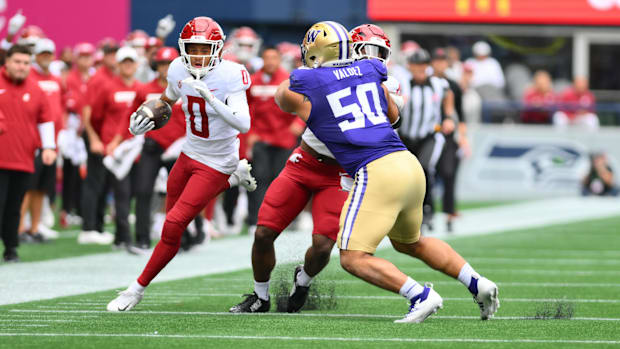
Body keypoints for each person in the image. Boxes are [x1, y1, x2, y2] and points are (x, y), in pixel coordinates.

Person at [273, 21, 499, 323]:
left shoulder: (313, 80)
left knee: (352, 258)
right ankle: (477, 283)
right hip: (407, 163)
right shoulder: (375, 75)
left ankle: (420, 295)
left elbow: (282, 95)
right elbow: (394, 116)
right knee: (410, 242)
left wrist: (319, 67)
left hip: (375, 170)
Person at [229, 22, 404, 314]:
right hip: (304, 163)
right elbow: (283, 97)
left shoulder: (383, 81)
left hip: (340, 172)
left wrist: (378, 89)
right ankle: (260, 296)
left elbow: (395, 118)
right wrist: (308, 77)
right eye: (366, 51)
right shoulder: (319, 76)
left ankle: (304, 279)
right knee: (263, 233)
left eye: (377, 53)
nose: (371, 58)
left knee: (323, 246)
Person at [106, 16, 255, 311]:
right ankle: (233, 179)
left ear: (219, 48)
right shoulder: (176, 68)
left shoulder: (231, 74)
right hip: (189, 153)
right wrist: (146, 118)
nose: (198, 55)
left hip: (218, 160)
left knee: (174, 222)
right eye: (193, 48)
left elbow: (244, 123)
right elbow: (167, 100)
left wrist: (211, 98)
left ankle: (136, 289)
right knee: (169, 229)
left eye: (204, 48)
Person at [79, 46, 142, 246]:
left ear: (136, 64)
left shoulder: (140, 88)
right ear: (119, 64)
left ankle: (114, 233)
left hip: (133, 148)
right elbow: (93, 116)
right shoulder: (108, 87)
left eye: (131, 62)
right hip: (110, 148)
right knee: (102, 187)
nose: (128, 66)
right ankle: (95, 229)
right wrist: (97, 140)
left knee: (128, 191)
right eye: (124, 62)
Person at [0, 45, 57, 262]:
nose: (21, 67)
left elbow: (45, 119)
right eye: (17, 62)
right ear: (7, 62)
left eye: (25, 63)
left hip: (23, 159)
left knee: (14, 208)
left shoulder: (36, 89)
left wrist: (49, 147)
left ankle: (11, 249)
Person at [245, 46, 305, 234]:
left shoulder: (289, 80)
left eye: (273, 58)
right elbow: (245, 107)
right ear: (262, 59)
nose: (270, 61)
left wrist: (299, 123)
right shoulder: (253, 82)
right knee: (258, 179)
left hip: (284, 139)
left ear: (279, 60)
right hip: (261, 138)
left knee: (284, 181)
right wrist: (250, 132)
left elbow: (305, 103)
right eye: (266, 58)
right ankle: (256, 219)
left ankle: (287, 219)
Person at [400, 48, 455, 232]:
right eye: (416, 65)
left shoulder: (438, 84)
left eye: (423, 65)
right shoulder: (403, 84)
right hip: (405, 137)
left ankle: (427, 210)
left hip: (429, 136)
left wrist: (448, 117)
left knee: (424, 169)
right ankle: (405, 212)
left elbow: (449, 95)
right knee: (405, 176)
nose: (420, 69)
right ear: (410, 66)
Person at [18, 38, 66, 242]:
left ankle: (34, 228)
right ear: (35, 56)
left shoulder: (56, 79)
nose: (45, 57)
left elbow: (60, 108)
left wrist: (59, 137)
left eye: (48, 54)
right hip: (33, 141)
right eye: (42, 54)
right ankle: (20, 228)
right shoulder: (30, 77)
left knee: (41, 188)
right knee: (26, 187)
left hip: (51, 142)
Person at [431, 48, 470, 232]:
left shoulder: (452, 85)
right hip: (428, 135)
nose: (439, 64)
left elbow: (461, 115)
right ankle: (426, 212)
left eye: (442, 60)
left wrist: (463, 138)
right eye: (436, 60)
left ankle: (449, 213)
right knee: (426, 174)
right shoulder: (424, 83)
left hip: (448, 136)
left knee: (449, 173)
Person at [60, 42, 95, 227]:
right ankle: (67, 209)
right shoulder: (69, 78)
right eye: (82, 56)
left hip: (88, 129)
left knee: (86, 172)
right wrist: (65, 129)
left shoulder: (93, 78)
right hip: (73, 129)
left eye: (88, 56)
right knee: (70, 171)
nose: (85, 60)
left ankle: (82, 209)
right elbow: (65, 105)